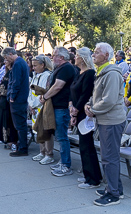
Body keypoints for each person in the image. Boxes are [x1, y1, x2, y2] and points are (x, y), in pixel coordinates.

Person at [85, 42, 127, 206]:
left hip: (111, 121)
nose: (93, 55)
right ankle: (115, 188)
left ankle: (113, 194)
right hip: (105, 120)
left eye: (96, 52)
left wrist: (93, 109)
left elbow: (108, 100)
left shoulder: (111, 74)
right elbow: (97, 96)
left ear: (107, 56)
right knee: (109, 157)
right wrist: (89, 105)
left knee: (109, 158)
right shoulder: (102, 72)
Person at [40, 47, 77, 177]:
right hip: (57, 106)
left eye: (55, 55)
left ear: (61, 57)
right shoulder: (60, 68)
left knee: (62, 137)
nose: (52, 57)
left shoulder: (66, 68)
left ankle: (66, 165)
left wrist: (45, 97)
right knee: (59, 136)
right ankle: (62, 161)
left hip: (62, 107)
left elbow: (58, 86)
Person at [70, 47, 102, 189]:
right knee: (83, 145)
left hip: (84, 112)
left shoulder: (89, 73)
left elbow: (85, 95)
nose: (74, 58)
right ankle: (88, 174)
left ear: (82, 58)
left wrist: (76, 110)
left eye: (76, 56)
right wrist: (71, 107)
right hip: (77, 110)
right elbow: (73, 92)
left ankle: (93, 179)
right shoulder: (79, 72)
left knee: (87, 145)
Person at [2, 47, 30, 156]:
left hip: (18, 99)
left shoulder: (17, 64)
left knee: (20, 124)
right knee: (19, 124)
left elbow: (16, 82)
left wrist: (12, 96)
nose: (6, 59)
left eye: (6, 57)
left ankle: (23, 148)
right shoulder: (21, 62)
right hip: (20, 98)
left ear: (10, 54)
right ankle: (21, 145)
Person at [29, 55, 54, 165]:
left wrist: (35, 105)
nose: (33, 68)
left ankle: (49, 154)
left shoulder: (47, 76)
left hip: (41, 106)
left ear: (42, 65)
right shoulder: (35, 75)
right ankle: (42, 151)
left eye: (35, 65)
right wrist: (30, 105)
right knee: (37, 130)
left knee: (45, 131)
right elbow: (30, 92)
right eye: (32, 65)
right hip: (34, 107)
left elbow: (43, 93)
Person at [0, 58, 18, 149]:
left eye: (6, 60)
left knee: (10, 121)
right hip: (2, 100)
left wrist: (3, 93)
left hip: (8, 100)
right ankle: (6, 139)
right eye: (4, 60)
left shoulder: (12, 72)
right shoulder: (7, 72)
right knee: (4, 120)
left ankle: (12, 141)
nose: (5, 62)